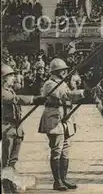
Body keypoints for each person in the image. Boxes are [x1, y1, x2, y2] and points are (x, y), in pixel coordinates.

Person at [38, 58, 92, 191]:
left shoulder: (61, 82)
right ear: (57, 71)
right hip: (55, 119)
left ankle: (63, 179)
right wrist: (83, 93)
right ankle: (57, 181)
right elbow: (65, 95)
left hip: (65, 119)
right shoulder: (50, 84)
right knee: (56, 150)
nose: (65, 72)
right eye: (63, 70)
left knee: (65, 151)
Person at [2, 64, 46, 170]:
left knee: (13, 159)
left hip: (16, 128)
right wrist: (34, 99)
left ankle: (9, 180)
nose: (14, 78)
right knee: (5, 158)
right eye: (11, 76)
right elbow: (14, 99)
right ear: (4, 78)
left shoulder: (10, 90)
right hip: (6, 128)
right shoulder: (3, 92)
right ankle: (4, 182)